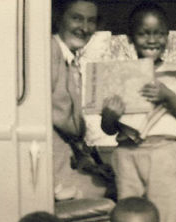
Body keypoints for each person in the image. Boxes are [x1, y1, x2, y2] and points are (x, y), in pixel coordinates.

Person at [100, 1, 176, 222]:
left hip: (164, 153)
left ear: (167, 36)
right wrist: (110, 115)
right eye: (144, 33)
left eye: (158, 33)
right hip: (128, 154)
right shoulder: (120, 75)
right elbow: (108, 128)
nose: (152, 39)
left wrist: (167, 95)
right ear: (131, 39)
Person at [52, 0, 109, 200]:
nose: (84, 28)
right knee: (123, 189)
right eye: (76, 18)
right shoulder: (50, 51)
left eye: (91, 21)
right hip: (53, 172)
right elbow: (61, 118)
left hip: (65, 163)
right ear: (59, 18)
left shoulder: (70, 59)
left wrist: (86, 160)